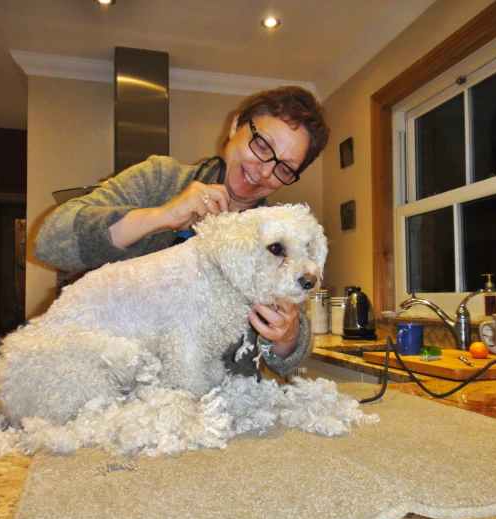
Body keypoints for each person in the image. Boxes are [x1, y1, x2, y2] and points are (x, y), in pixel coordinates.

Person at [34, 86, 330, 379]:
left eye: (284, 168)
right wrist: (161, 216)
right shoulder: (160, 179)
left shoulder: (281, 241)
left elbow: (286, 360)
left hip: (215, 402)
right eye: (262, 146)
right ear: (236, 125)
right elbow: (50, 242)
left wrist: (288, 335)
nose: (265, 171)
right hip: (109, 377)